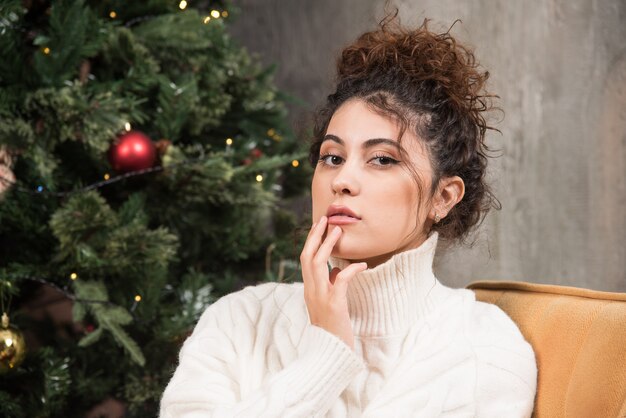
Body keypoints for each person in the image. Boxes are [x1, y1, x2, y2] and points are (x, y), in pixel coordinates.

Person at [160, 14, 537, 418]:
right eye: (332, 157)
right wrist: (326, 355)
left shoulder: (484, 347)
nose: (342, 180)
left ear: (443, 197)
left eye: (381, 159)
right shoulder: (239, 322)